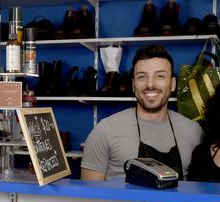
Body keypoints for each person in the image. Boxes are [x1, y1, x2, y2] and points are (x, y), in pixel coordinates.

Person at [81, 44, 203, 180]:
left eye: (160, 76)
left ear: (173, 84)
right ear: (133, 85)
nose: (150, 84)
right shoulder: (105, 131)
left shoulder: (194, 132)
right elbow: (90, 195)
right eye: (142, 77)